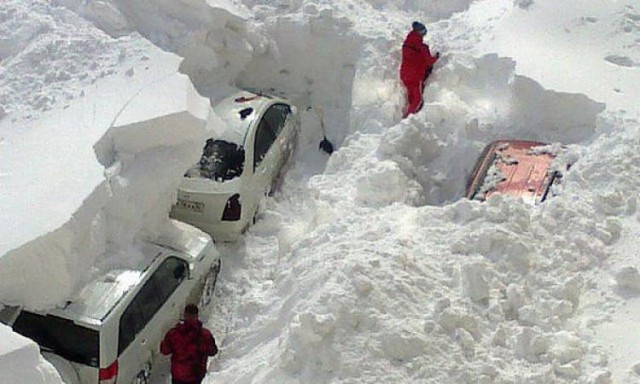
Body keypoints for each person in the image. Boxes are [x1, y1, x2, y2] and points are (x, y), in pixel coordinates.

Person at [161, 304, 218, 384]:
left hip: (178, 375)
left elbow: (164, 350)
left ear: (185, 315)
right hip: (195, 375)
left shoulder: (173, 333)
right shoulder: (205, 334)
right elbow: (213, 351)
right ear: (197, 316)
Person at [400, 21, 440, 117]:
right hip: (416, 77)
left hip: (404, 75)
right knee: (418, 99)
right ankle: (408, 117)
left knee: (411, 96)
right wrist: (436, 57)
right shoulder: (423, 48)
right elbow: (429, 61)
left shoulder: (405, 45)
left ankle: (408, 110)